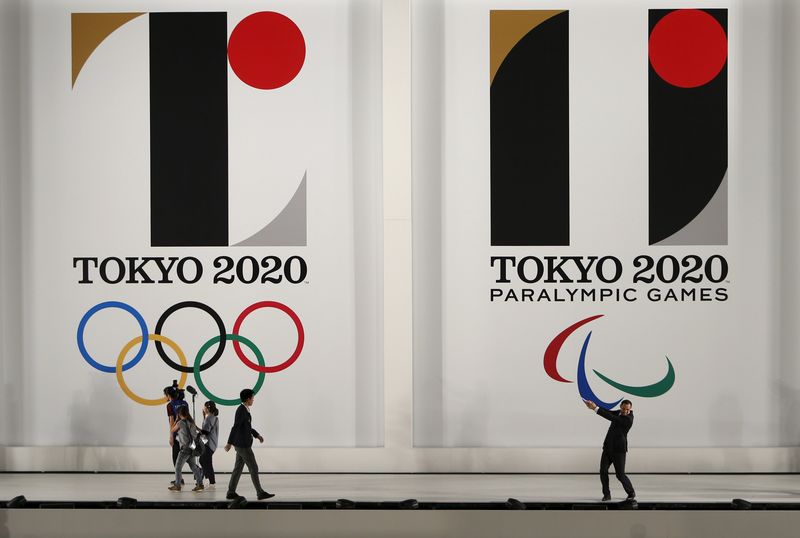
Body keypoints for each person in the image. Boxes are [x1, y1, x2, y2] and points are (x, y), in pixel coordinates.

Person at [224, 389, 274, 500]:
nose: (253, 400)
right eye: (252, 398)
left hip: (242, 444)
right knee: (253, 467)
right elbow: (236, 426)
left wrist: (257, 435)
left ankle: (231, 492)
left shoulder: (245, 410)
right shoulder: (241, 410)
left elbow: (247, 427)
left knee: (238, 468)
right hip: (243, 445)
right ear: (248, 399)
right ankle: (260, 493)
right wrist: (229, 442)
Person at [583, 398, 636, 501]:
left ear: (630, 409)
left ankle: (631, 492)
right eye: (623, 409)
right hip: (608, 448)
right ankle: (607, 494)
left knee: (620, 475)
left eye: (627, 409)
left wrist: (595, 408)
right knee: (603, 471)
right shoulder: (618, 412)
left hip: (619, 450)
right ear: (620, 407)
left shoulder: (628, 419)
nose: (625, 411)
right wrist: (594, 405)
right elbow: (608, 412)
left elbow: (610, 417)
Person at [168, 406, 204, 492]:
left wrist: (176, 419)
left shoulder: (180, 423)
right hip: (192, 447)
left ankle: (177, 485)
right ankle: (200, 484)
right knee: (193, 466)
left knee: (178, 467)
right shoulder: (191, 423)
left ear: (179, 414)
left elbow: (172, 430)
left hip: (185, 448)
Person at [164, 385, 188, 485]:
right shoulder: (185, 403)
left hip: (177, 433)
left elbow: (171, 420)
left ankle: (179, 478)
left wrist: (171, 436)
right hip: (186, 432)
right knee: (189, 455)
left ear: (168, 395)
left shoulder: (170, 405)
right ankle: (198, 473)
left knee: (176, 456)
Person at [198, 400, 219, 490]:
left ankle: (211, 482)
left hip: (208, 444)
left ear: (207, 408)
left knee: (206, 462)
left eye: (204, 407)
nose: (203, 408)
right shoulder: (213, 417)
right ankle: (206, 478)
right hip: (211, 443)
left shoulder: (209, 418)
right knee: (203, 460)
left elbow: (205, 432)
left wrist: (196, 430)